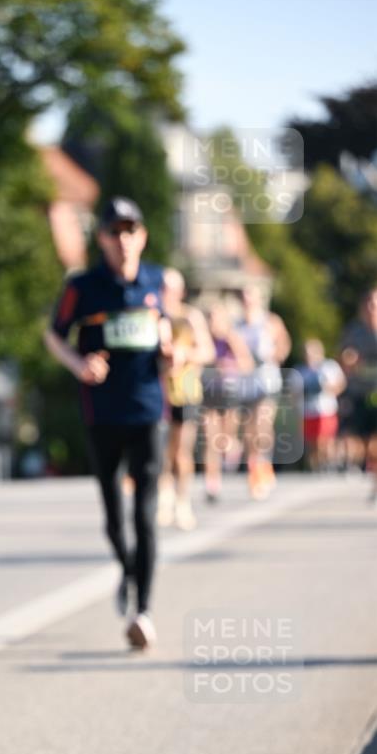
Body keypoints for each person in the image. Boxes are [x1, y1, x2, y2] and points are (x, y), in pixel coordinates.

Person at [45, 197, 171, 650]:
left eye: (129, 231)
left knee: (147, 513)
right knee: (115, 518)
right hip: (102, 411)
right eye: (113, 232)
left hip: (148, 410)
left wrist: (170, 352)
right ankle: (129, 570)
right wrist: (79, 364)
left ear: (142, 236)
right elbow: (53, 336)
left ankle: (144, 609)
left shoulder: (157, 281)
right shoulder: (84, 286)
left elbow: (166, 331)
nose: (122, 240)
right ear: (101, 238)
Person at [157, 268, 215, 530]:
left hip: (185, 391)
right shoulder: (154, 316)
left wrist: (183, 354)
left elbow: (207, 351)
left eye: (171, 289)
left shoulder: (190, 317)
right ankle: (164, 498)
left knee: (181, 451)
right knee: (160, 452)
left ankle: (182, 501)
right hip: (157, 392)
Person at [234, 285, 291, 499]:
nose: (247, 300)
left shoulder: (270, 321)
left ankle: (264, 464)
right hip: (245, 383)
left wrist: (273, 355)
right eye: (244, 296)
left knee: (262, 425)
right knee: (248, 431)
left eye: (251, 296)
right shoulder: (236, 324)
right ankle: (253, 469)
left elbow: (284, 345)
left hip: (267, 381)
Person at [201, 302, 254, 502]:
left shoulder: (232, 338)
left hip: (230, 392)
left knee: (224, 439)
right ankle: (212, 484)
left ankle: (233, 447)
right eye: (210, 318)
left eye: (215, 318)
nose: (212, 323)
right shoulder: (204, 339)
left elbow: (247, 364)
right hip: (208, 393)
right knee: (210, 439)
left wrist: (229, 366)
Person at [338, 287, 377, 497]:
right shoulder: (355, 331)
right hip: (360, 391)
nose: (372, 308)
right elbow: (344, 356)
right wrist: (349, 359)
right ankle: (369, 464)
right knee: (363, 439)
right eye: (369, 304)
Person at [298, 339, 345, 471]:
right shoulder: (300, 370)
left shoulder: (329, 366)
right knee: (311, 442)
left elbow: (340, 384)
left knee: (324, 439)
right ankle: (315, 466)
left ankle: (328, 463)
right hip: (307, 411)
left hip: (325, 409)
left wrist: (327, 388)